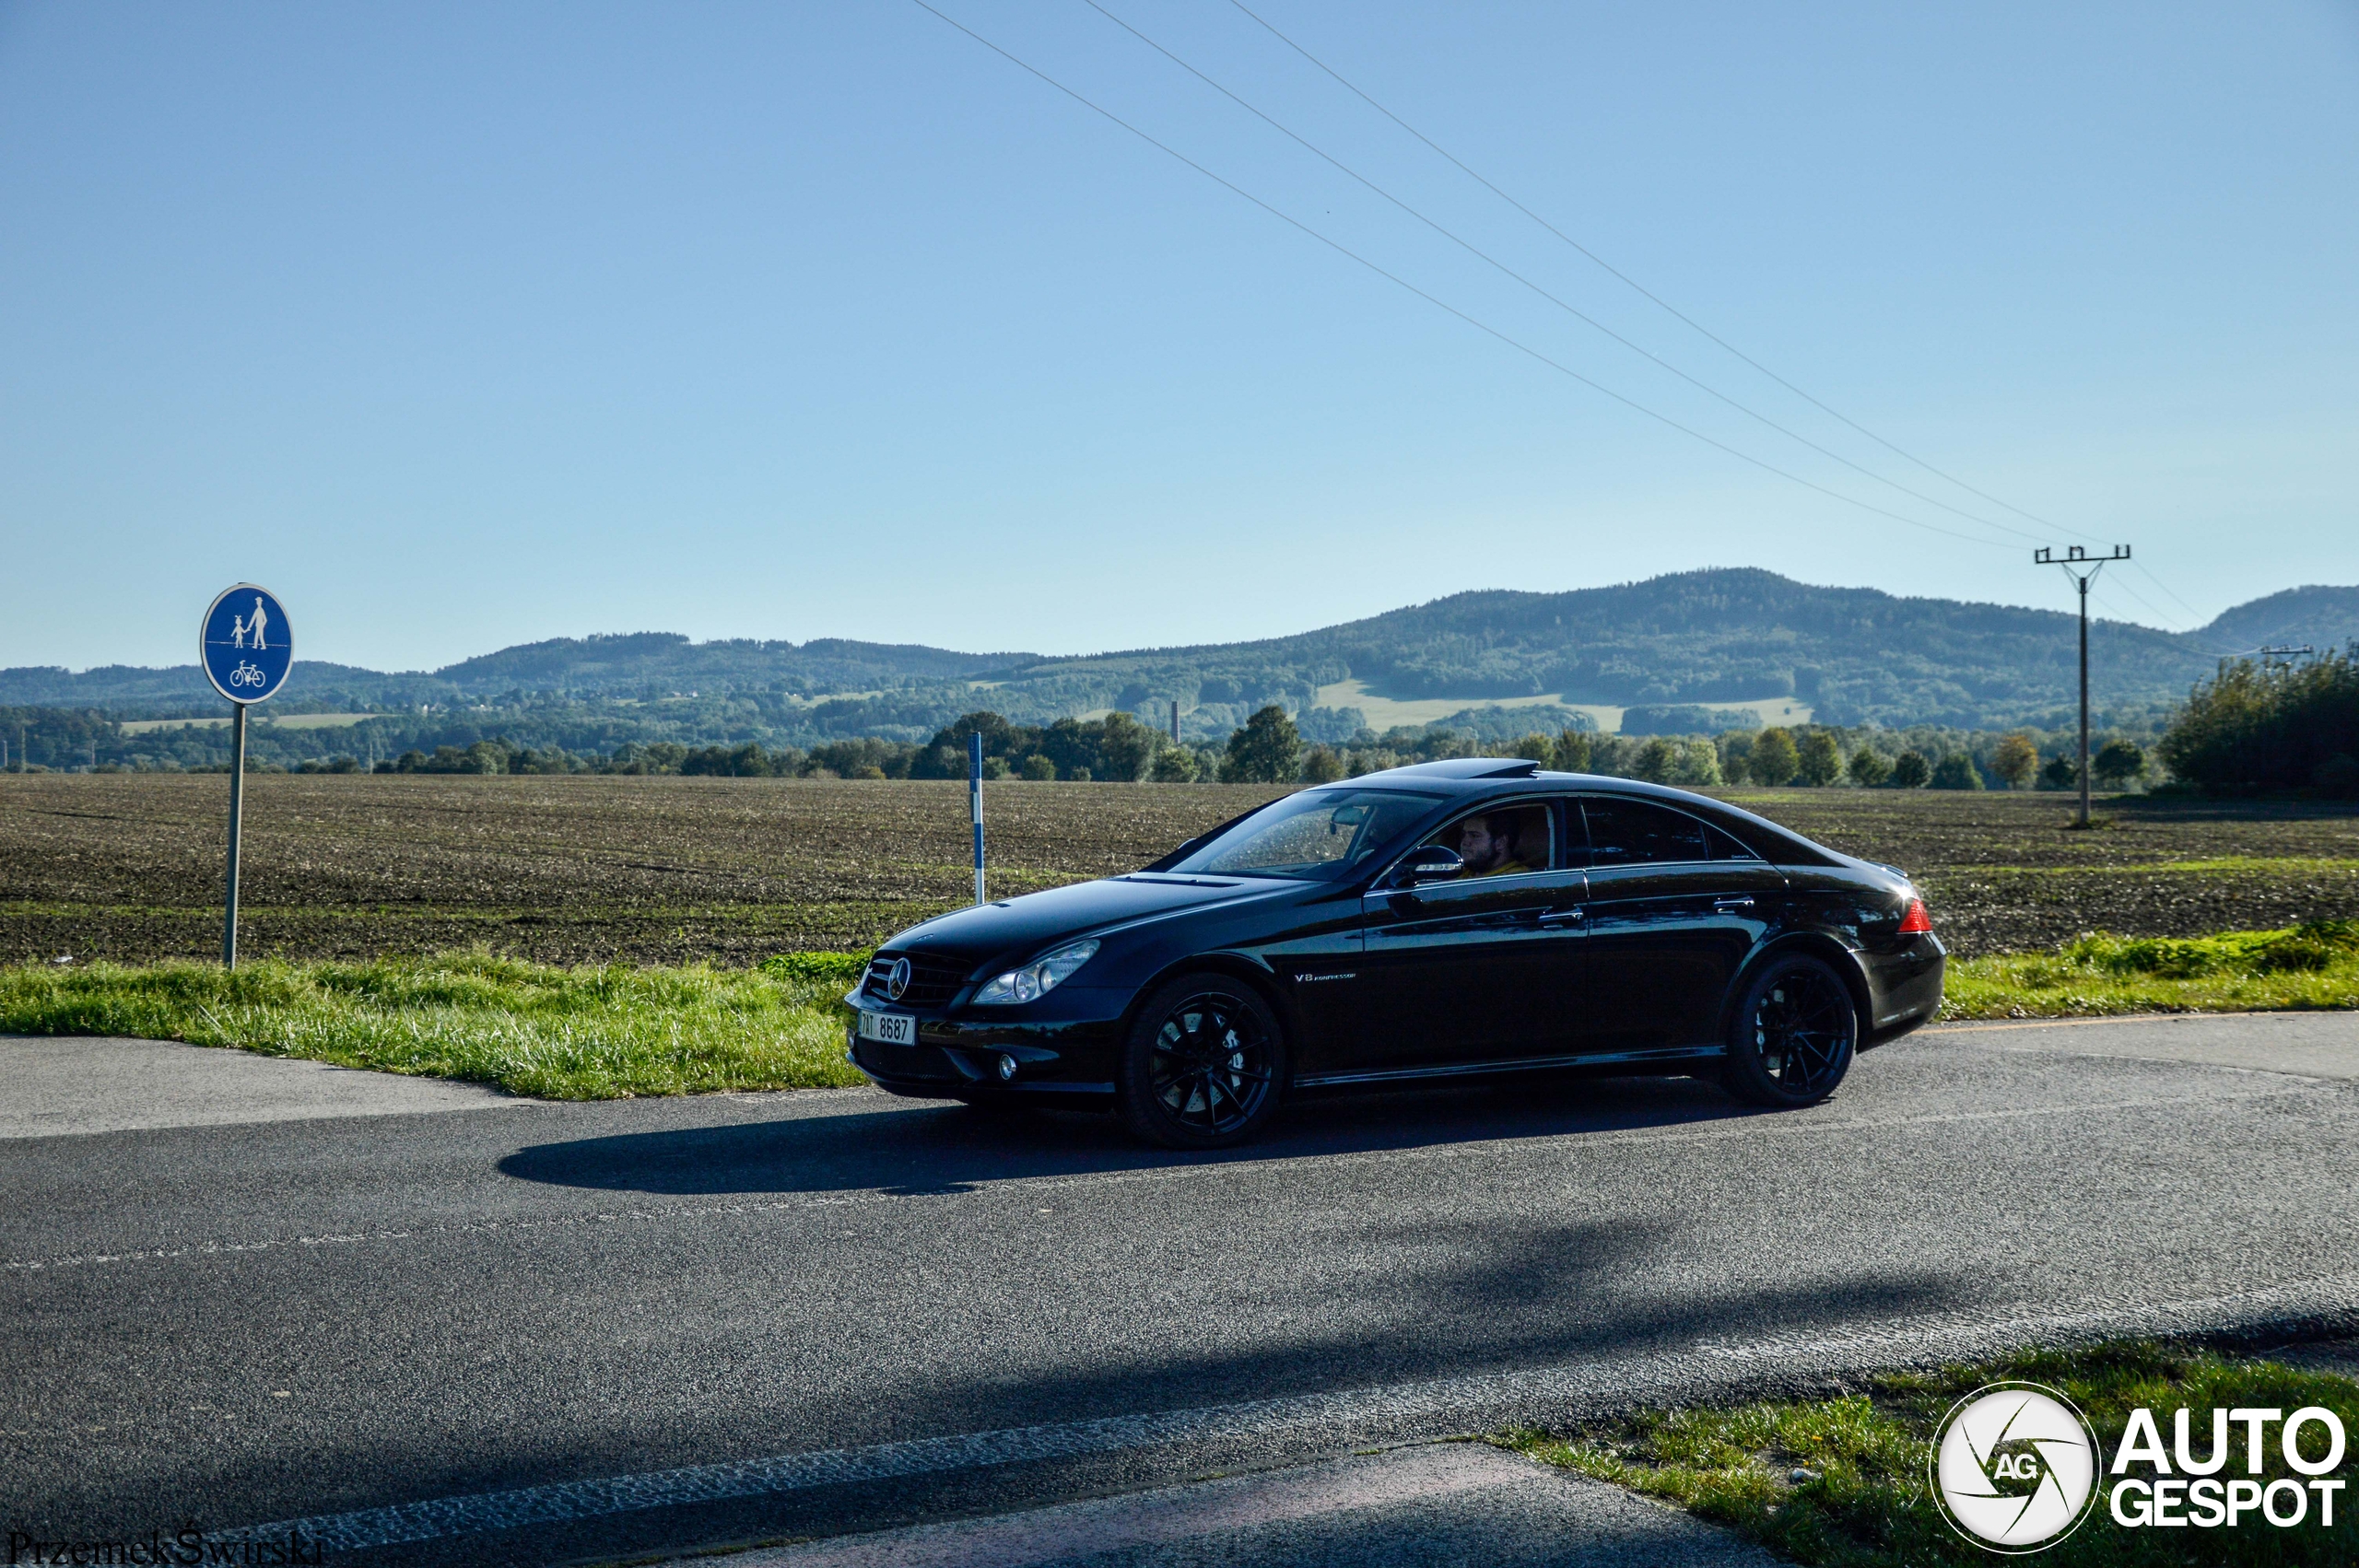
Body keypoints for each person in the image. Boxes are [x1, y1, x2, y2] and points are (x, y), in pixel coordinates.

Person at [1455, 813, 1532, 877]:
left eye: (1475, 836)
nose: (1464, 842)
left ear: (1501, 842)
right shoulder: (1463, 871)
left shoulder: (1516, 878)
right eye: (1464, 835)